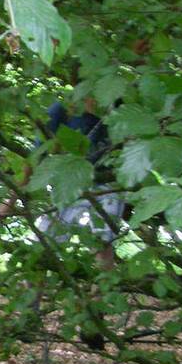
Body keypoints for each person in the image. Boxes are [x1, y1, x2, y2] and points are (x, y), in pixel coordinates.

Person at [34, 97, 124, 269]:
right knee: (44, 244)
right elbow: (38, 155)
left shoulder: (119, 105)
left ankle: (101, 292)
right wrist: (11, 202)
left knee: (102, 244)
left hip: (107, 183)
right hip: (70, 181)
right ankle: (32, 290)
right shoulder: (61, 110)